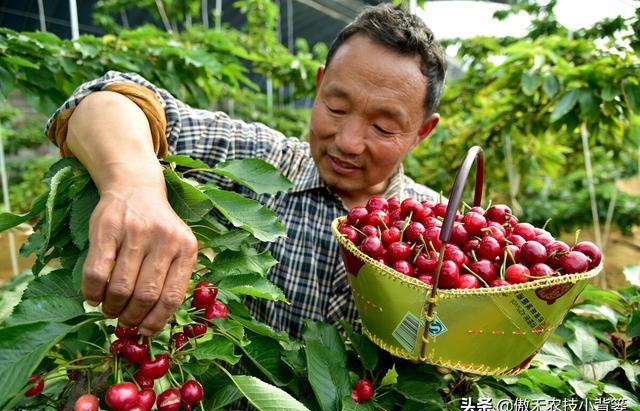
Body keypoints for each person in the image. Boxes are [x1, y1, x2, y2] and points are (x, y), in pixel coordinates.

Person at [46, 4, 447, 341]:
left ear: (422, 133)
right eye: (336, 107)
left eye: (383, 127)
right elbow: (106, 97)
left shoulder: (440, 234)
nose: (348, 141)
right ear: (320, 85)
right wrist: (134, 185)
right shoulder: (263, 165)